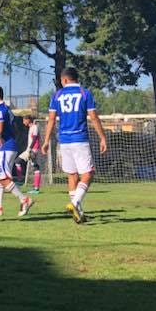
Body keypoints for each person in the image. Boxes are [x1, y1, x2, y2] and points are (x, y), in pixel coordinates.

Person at [43, 67, 108, 223]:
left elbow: (51, 119)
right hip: (80, 139)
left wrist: (46, 141)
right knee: (89, 173)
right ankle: (75, 203)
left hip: (64, 141)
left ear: (64, 80)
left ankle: (78, 212)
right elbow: (93, 117)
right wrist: (102, 137)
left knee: (72, 175)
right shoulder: (85, 93)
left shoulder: (57, 95)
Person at [0, 87, 34, 218]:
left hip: (6, 148)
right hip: (5, 147)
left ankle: (24, 199)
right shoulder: (6, 108)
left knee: (2, 177)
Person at [23, 115, 42, 194]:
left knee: (36, 167)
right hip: (32, 149)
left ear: (28, 120)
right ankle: (35, 187)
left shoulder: (34, 127)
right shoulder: (31, 127)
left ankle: (36, 188)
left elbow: (35, 139)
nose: (23, 122)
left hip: (34, 149)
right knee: (35, 167)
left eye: (24, 120)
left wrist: (30, 149)